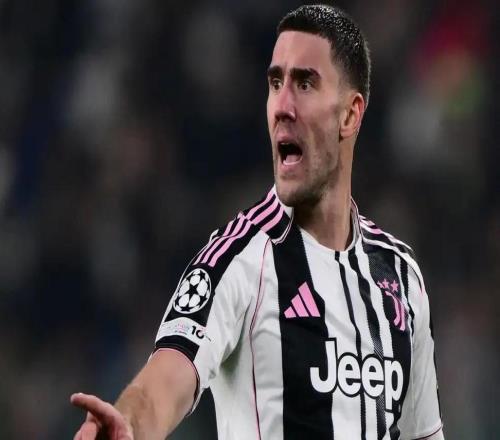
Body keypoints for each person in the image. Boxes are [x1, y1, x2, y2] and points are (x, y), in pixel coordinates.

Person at [71, 4, 444, 440]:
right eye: (275, 83)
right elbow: (163, 382)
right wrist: (129, 425)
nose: (282, 105)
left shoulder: (400, 277)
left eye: (305, 83)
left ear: (350, 114)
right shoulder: (238, 261)